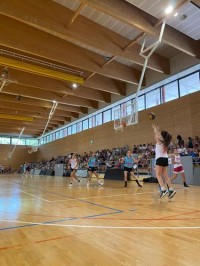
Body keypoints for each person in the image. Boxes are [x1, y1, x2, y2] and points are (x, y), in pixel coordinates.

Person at [152, 124, 176, 199]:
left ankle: (163, 189)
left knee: (158, 175)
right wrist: (157, 130)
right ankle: (171, 190)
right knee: (165, 176)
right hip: (165, 159)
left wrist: (155, 129)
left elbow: (155, 135)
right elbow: (158, 135)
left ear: (162, 136)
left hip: (160, 159)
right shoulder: (166, 143)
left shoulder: (160, 141)